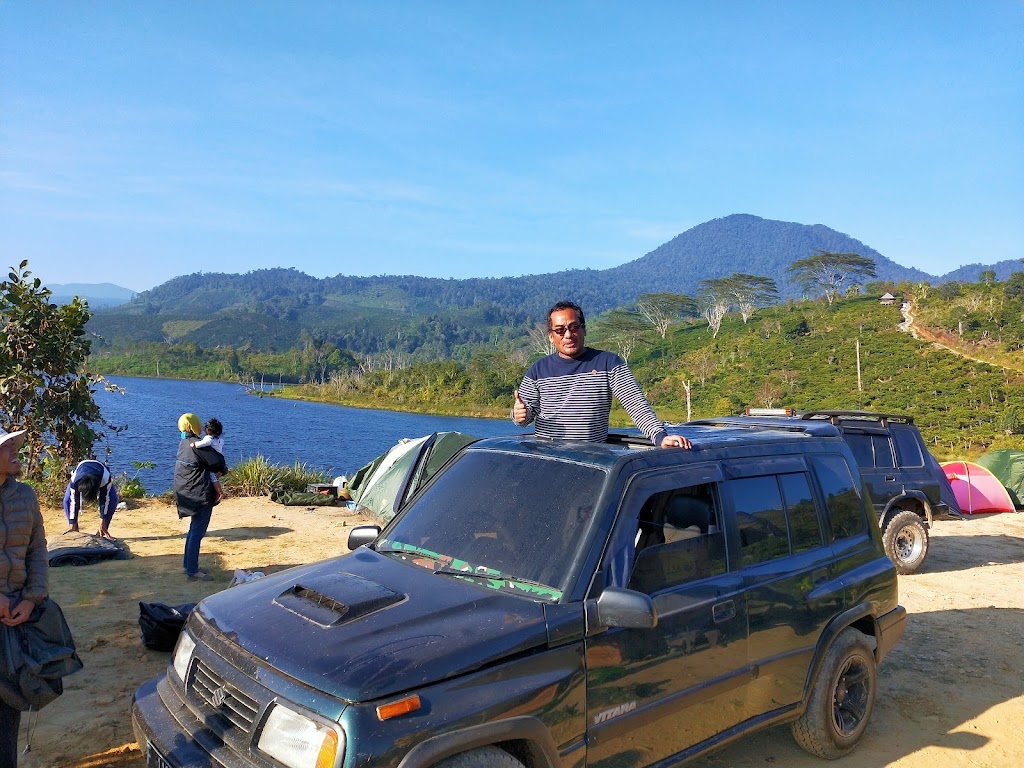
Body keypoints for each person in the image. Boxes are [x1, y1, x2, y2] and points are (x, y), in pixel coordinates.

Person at [512, 300, 692, 449]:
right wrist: (519, 415)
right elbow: (523, 415)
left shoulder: (608, 363)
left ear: (584, 329)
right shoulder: (538, 370)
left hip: (593, 460)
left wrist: (660, 437)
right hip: (549, 458)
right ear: (551, 336)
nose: (568, 335)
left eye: (574, 327)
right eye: (560, 330)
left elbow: (635, 404)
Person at [0, 426, 49, 767]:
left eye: (15, 444)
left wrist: (32, 598)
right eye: (7, 446)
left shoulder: (26, 496)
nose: (16, 450)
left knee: (9, 706)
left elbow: (37, 550)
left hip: (15, 617)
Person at [173, 414, 227, 581]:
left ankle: (188, 564)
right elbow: (219, 463)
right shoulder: (200, 445)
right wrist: (221, 473)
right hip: (199, 493)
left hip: (185, 491)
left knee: (193, 530)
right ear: (194, 425)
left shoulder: (184, 442)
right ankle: (192, 570)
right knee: (197, 531)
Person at [62, 459, 119, 538]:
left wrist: (102, 520)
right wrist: (72, 522)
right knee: (67, 500)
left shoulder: (105, 478)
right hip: (81, 472)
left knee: (113, 499)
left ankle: (102, 529)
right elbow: (74, 501)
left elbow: (105, 500)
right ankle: (73, 528)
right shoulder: (75, 481)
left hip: (100, 474)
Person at [190, 418, 225, 504]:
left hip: (213, 462)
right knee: (215, 476)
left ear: (208, 430)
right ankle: (216, 492)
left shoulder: (209, 438)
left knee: (212, 476)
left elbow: (204, 443)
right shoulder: (220, 439)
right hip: (220, 460)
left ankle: (219, 492)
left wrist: (194, 444)